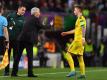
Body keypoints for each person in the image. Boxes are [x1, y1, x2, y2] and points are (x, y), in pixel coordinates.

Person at [11, 7, 47, 77]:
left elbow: (38, 27)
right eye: (39, 12)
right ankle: (30, 73)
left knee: (17, 56)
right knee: (30, 57)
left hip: (21, 39)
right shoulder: (35, 19)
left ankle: (13, 73)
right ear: (35, 13)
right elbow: (42, 26)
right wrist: (50, 25)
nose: (39, 13)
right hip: (28, 40)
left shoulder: (29, 19)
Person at [61, 4, 86, 79]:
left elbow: (83, 27)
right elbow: (76, 30)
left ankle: (72, 70)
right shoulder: (79, 19)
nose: (74, 11)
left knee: (68, 54)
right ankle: (83, 74)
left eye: (75, 10)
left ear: (78, 10)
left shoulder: (81, 18)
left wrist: (83, 37)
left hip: (78, 40)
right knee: (80, 57)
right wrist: (66, 33)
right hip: (80, 40)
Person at [4, 5, 26, 76]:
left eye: (24, 10)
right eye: (22, 10)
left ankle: (14, 72)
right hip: (9, 40)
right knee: (7, 56)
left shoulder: (23, 19)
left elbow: (23, 31)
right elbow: (5, 26)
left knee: (16, 57)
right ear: (18, 9)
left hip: (17, 41)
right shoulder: (10, 16)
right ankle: (6, 72)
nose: (24, 12)